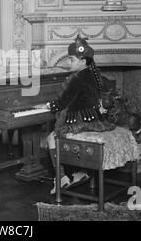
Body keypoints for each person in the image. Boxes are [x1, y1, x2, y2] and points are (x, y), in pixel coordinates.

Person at [43, 35, 116, 194]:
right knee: (67, 140)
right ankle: (83, 172)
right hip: (93, 119)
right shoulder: (92, 73)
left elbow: (62, 102)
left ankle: (61, 178)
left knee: (51, 139)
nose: (68, 63)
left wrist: (50, 105)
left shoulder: (76, 78)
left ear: (83, 61)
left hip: (80, 120)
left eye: (71, 60)